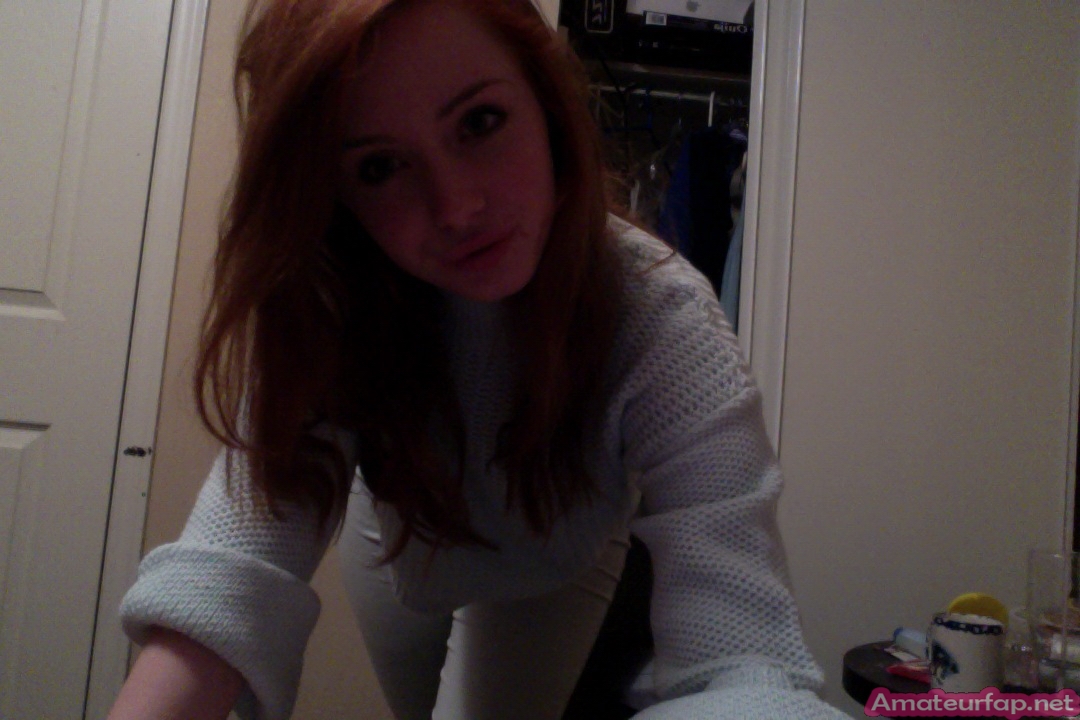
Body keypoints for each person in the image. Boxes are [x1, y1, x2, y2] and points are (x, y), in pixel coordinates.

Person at [108, 1, 850, 718]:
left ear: (547, 102)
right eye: (379, 166)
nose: (455, 207)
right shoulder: (335, 302)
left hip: (556, 554)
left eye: (480, 121)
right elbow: (229, 570)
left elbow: (743, 660)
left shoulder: (662, 315)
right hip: (404, 530)